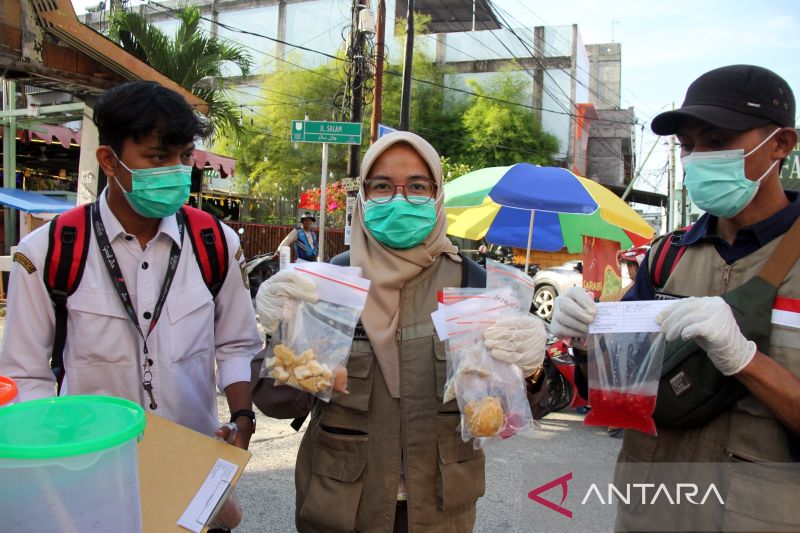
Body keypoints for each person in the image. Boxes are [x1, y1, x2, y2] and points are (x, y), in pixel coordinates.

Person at [0, 81, 262, 530]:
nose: (176, 171)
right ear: (109, 161)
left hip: (193, 467)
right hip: (88, 478)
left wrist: (241, 416)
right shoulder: (47, 251)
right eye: (158, 158)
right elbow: (25, 373)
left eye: (183, 157)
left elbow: (238, 345)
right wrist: (61, 458)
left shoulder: (215, 243)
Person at [256, 131, 548, 532]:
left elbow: (510, 411)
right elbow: (278, 403)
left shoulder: (472, 283)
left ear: (437, 193)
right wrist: (280, 334)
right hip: (342, 510)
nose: (399, 199)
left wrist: (531, 369)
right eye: (381, 186)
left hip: (440, 513)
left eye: (416, 186)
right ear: (362, 196)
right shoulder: (331, 282)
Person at [550, 65, 800, 530]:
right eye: (688, 145)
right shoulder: (667, 255)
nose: (697, 158)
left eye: (718, 140)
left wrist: (746, 361)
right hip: (652, 511)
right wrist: (585, 342)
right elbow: (617, 395)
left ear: (781, 145)